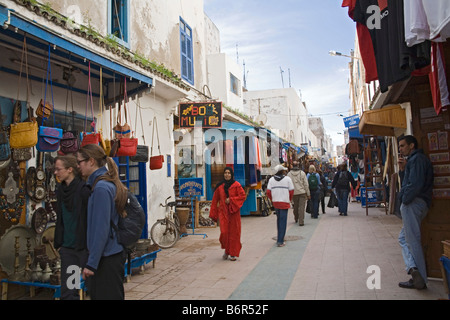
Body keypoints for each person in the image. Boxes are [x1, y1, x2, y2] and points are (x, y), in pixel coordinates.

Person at [77, 144, 128, 300]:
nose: (77, 166)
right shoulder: (102, 183)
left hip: (106, 258)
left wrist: (91, 264)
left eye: (79, 162)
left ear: (91, 161)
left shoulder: (101, 188)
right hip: (110, 255)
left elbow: (101, 229)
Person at [397, 135, 433, 290]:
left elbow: (415, 184)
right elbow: (408, 181)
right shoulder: (412, 161)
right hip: (415, 203)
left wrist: (405, 199)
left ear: (411, 146)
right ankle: (413, 270)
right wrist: (404, 170)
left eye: (403, 145)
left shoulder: (417, 159)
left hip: (413, 203)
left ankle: (420, 278)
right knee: (404, 238)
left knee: (412, 241)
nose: (400, 149)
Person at [53, 155, 88, 300]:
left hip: (84, 248)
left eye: (58, 169)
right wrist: (60, 244)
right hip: (68, 250)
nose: (55, 172)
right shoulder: (61, 190)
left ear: (70, 170)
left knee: (94, 288)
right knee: (69, 290)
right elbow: (60, 219)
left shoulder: (84, 190)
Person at [209, 167, 246, 261]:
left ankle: (233, 253)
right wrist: (213, 213)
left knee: (234, 233)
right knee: (224, 232)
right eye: (225, 173)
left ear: (232, 174)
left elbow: (242, 196)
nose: (227, 175)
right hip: (223, 213)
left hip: (234, 213)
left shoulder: (236, 185)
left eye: (229, 173)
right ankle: (227, 250)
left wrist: (231, 200)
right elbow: (214, 200)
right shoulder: (219, 186)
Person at [266, 165, 294, 247]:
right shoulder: (288, 179)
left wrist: (273, 199)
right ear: (282, 171)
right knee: (283, 222)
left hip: (276, 203)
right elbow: (291, 191)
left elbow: (268, 192)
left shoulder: (271, 180)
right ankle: (280, 241)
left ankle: (279, 238)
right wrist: (288, 199)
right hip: (284, 202)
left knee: (279, 221)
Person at [287, 160, 310, 226]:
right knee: (301, 207)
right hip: (302, 192)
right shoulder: (302, 173)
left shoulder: (289, 174)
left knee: (295, 207)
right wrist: (308, 193)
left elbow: (287, 184)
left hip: (294, 193)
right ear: (298, 166)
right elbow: (306, 184)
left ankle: (296, 218)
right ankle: (301, 221)